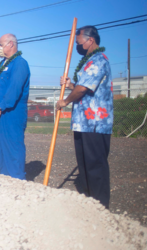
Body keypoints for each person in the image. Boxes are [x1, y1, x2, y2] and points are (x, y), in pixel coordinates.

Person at [56, 26, 113, 208]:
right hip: (83, 123)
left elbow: (83, 89)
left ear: (90, 40)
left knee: (95, 166)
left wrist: (65, 102)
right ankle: (90, 202)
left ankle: (100, 206)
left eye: (79, 42)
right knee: (85, 164)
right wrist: (71, 84)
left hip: (95, 123)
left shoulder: (98, 60)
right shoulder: (88, 61)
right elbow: (81, 86)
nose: (77, 45)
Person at [0, 34, 30, 179]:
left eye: (1, 44)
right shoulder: (1, 65)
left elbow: (14, 89)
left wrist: (0, 108)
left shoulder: (19, 63)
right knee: (1, 147)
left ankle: (16, 178)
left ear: (10, 44)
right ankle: (4, 177)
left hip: (12, 112)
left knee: (13, 145)